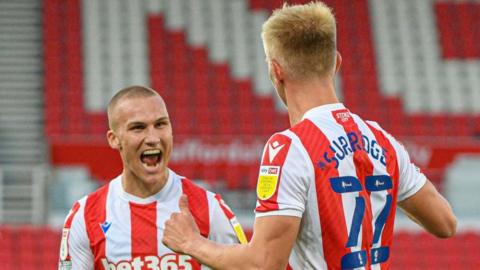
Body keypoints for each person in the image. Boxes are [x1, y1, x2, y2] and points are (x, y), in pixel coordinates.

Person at [161, 2, 457, 269]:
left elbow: (264, 263)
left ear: (276, 72)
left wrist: (191, 243)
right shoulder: (381, 139)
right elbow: (445, 222)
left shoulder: (290, 148)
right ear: (336, 62)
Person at [58, 86, 247, 270]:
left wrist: (196, 245)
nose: (153, 138)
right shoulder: (85, 216)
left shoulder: (210, 207)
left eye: (160, 124)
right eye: (138, 128)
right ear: (114, 139)